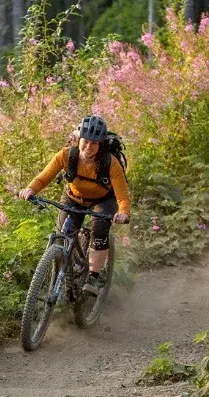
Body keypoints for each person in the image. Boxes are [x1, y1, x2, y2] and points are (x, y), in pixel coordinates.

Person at [17, 115, 131, 296]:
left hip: (102, 200)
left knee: (99, 229)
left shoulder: (111, 163)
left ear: (100, 144)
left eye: (94, 143)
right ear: (78, 139)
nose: (88, 147)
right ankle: (67, 279)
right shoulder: (66, 155)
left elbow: (123, 197)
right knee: (64, 236)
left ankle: (93, 275)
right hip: (73, 197)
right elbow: (44, 177)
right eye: (85, 141)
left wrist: (123, 212)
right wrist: (30, 189)